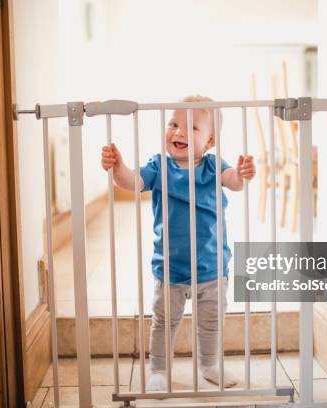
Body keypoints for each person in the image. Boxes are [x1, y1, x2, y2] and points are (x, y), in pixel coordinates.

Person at [100, 95, 256, 391]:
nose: (178, 132)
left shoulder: (213, 167)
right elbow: (133, 182)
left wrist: (242, 174)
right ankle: (159, 370)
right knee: (164, 322)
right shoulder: (158, 166)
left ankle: (209, 364)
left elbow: (233, 181)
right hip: (170, 269)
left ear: (209, 142)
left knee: (210, 323)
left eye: (191, 128)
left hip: (212, 268)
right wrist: (118, 167)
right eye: (173, 124)